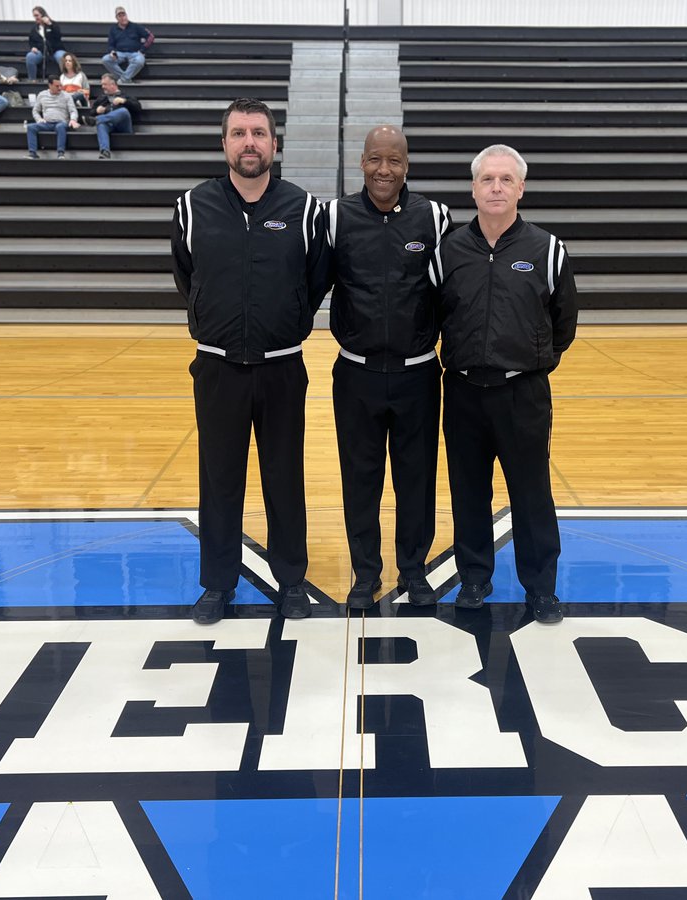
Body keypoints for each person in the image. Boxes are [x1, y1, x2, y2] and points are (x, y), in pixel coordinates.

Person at [170, 98, 329, 625]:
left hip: (282, 367)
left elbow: (317, 278)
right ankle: (217, 584)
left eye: (259, 133)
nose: (249, 143)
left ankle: (290, 581)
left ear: (274, 144)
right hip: (217, 368)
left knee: (284, 477)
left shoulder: (303, 209)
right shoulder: (192, 207)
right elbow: (186, 275)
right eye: (239, 133)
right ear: (224, 144)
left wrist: (288, 319)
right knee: (219, 479)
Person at [438, 144, 577, 625]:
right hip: (461, 392)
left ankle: (540, 588)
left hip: (523, 394)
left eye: (505, 179)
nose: (496, 187)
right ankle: (474, 578)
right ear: (473, 188)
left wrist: (532, 362)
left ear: (521, 188)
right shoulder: (449, 249)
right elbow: (434, 315)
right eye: (486, 179)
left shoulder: (546, 249)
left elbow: (564, 322)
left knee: (531, 492)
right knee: (468, 491)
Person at [323, 125, 451, 610]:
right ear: (362, 163)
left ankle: (414, 571)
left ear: (406, 166)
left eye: (393, 161)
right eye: (375, 160)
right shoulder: (335, 217)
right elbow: (313, 283)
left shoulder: (434, 218)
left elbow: (449, 293)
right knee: (361, 478)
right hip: (355, 373)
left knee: (416, 478)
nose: (384, 170)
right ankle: (366, 573)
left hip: (418, 372)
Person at [89, 73, 142, 159]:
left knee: (123, 111)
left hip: (124, 127)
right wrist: (96, 110)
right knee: (101, 124)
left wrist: (124, 101)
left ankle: (97, 119)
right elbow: (91, 112)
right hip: (109, 126)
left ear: (113, 84)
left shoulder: (125, 95)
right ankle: (105, 151)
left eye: (105, 84)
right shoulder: (101, 98)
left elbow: (138, 108)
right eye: (102, 84)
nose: (102, 86)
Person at [25, 76, 79, 159]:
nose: (60, 88)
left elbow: (73, 110)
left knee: (60, 126)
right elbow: (35, 110)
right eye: (57, 86)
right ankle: (32, 153)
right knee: (31, 127)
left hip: (61, 122)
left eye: (60, 85)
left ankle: (61, 153)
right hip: (46, 123)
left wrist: (73, 119)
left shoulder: (66, 96)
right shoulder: (42, 95)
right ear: (50, 85)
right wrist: (39, 119)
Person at [102, 6, 149, 84]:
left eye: (123, 15)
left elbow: (150, 37)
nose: (122, 17)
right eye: (120, 16)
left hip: (135, 53)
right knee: (106, 59)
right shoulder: (113, 29)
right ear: (116, 18)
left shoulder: (135, 26)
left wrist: (142, 50)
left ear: (126, 15)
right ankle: (126, 79)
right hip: (119, 53)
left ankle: (123, 80)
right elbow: (110, 45)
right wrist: (112, 52)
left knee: (140, 61)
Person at [25, 6, 66, 81]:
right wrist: (33, 47)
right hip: (41, 51)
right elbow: (31, 41)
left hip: (55, 51)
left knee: (62, 56)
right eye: (34, 16)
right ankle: (32, 80)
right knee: (30, 57)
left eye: (37, 15)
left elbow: (58, 36)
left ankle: (66, 79)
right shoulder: (34, 29)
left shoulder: (53, 25)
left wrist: (50, 24)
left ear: (43, 15)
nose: (35, 18)